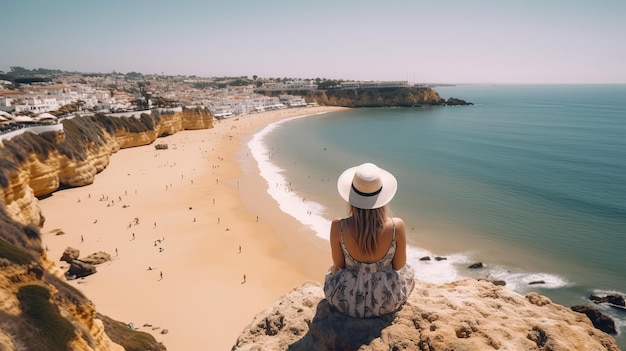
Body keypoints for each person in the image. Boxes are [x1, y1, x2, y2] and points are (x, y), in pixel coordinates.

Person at [324, 162, 415, 318]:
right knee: (410, 274)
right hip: (386, 302)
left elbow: (339, 265)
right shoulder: (396, 226)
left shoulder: (338, 226)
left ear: (351, 197)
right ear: (382, 197)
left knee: (330, 272)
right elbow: (398, 265)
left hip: (346, 301)